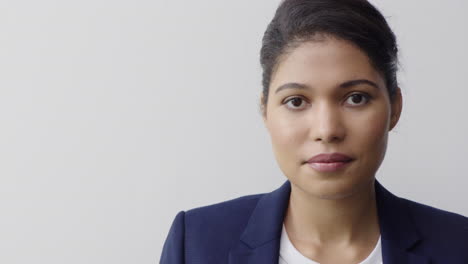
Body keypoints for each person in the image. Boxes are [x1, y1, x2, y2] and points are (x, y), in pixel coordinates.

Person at [160, 0, 468, 263]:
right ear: (266, 110)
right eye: (296, 101)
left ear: (394, 107)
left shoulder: (458, 245)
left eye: (356, 98)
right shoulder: (197, 244)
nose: (327, 130)